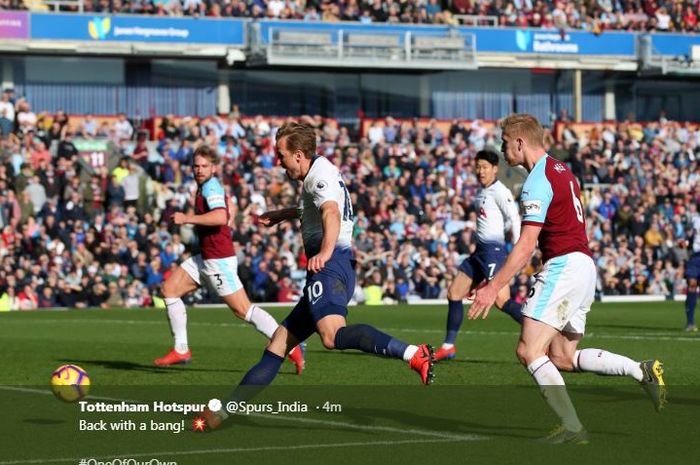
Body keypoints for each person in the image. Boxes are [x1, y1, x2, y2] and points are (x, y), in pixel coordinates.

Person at [203, 122, 434, 429]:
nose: (278, 161)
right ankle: (225, 412)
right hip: (330, 265)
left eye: (281, 155)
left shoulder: (319, 178)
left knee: (331, 335)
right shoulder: (318, 172)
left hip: (330, 264)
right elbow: (312, 208)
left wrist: (324, 252)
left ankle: (413, 353)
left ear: (299, 155)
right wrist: (282, 214)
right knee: (278, 344)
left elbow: (330, 213)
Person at [470, 114, 666, 444]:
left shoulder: (536, 181)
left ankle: (573, 428)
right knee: (561, 357)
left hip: (564, 267)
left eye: (504, 143)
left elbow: (527, 243)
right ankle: (640, 370)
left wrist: (494, 287)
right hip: (584, 266)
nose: (502, 150)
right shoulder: (564, 171)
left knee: (528, 351)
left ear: (520, 142)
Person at [154, 145, 304, 375]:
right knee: (169, 289)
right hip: (205, 257)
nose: (200, 170)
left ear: (213, 168)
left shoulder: (210, 186)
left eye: (204, 166)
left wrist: (187, 218)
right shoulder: (207, 186)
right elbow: (228, 208)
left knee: (243, 310)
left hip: (218, 259)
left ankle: (289, 345)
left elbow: (221, 215)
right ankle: (181, 349)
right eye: (196, 166)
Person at [434, 150, 523, 362]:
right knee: (454, 293)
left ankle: (542, 335)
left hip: (493, 252)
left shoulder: (500, 191)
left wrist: (519, 247)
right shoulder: (482, 192)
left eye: (485, 167)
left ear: (495, 168)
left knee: (502, 302)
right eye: (478, 167)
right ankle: (448, 346)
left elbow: (515, 218)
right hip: (480, 252)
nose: (481, 171)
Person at [683, 209, 700, 332]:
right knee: (692, 286)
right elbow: (687, 238)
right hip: (694, 258)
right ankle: (690, 322)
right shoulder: (694, 218)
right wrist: (684, 243)